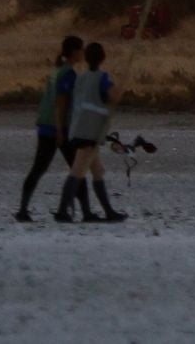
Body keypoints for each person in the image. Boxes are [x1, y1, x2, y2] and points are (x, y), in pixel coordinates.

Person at [16, 35, 91, 222]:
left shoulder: (57, 71)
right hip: (57, 127)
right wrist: (59, 130)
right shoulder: (68, 74)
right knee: (77, 168)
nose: (83, 53)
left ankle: (23, 209)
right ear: (74, 52)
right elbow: (60, 103)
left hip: (46, 125)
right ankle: (83, 212)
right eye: (81, 49)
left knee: (39, 168)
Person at [54, 41, 127, 223]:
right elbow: (113, 97)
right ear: (102, 58)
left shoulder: (81, 77)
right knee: (78, 170)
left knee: (98, 170)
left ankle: (108, 211)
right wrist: (120, 90)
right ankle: (62, 210)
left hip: (79, 127)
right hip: (89, 131)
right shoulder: (102, 78)